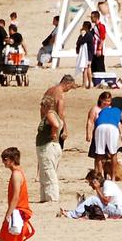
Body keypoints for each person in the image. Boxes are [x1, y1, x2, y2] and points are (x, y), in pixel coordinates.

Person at [35, 74, 75, 203]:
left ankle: (39, 177)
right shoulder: (60, 94)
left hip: (46, 124)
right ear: (67, 84)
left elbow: (42, 108)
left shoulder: (49, 90)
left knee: (45, 160)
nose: (69, 90)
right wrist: (65, 129)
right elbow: (61, 114)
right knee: (51, 160)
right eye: (70, 87)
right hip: (53, 127)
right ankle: (52, 195)